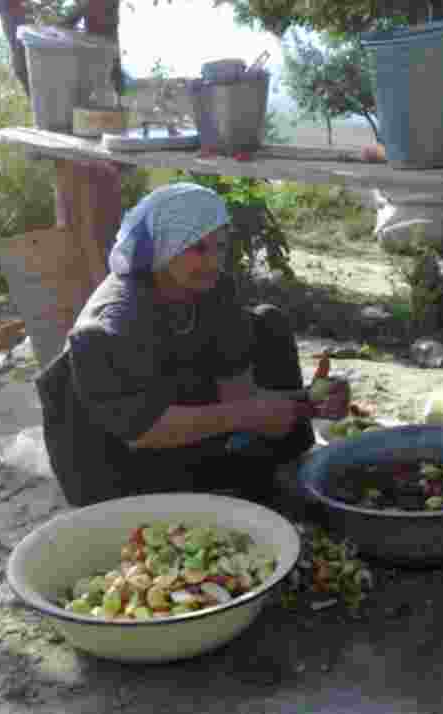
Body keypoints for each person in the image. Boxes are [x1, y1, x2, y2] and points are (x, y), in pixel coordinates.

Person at [36, 182, 349, 507]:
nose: (213, 261)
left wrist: (309, 403)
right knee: (153, 500)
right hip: (114, 449)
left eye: (220, 247)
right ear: (164, 247)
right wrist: (243, 415)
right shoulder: (111, 324)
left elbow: (238, 394)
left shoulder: (214, 287)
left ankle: (263, 471)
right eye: (198, 248)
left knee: (268, 324)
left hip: (173, 405)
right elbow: (143, 431)